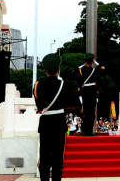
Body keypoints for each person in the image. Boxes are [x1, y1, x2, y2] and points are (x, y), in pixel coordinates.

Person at [35, 53, 79, 181]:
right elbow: (68, 102)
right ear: (58, 69)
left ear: (45, 69)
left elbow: (39, 105)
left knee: (44, 156)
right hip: (59, 122)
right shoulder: (64, 85)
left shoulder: (38, 85)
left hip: (45, 123)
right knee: (58, 157)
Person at [77, 53, 104, 136]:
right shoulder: (95, 70)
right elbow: (103, 69)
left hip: (84, 91)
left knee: (85, 111)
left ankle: (85, 130)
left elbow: (75, 72)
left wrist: (82, 65)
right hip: (92, 91)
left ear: (85, 61)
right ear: (92, 62)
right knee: (91, 112)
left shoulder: (81, 70)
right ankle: (90, 130)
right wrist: (97, 63)